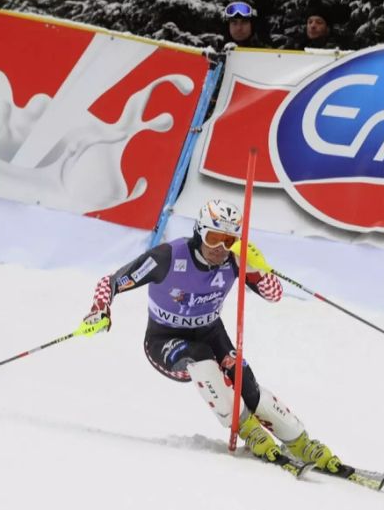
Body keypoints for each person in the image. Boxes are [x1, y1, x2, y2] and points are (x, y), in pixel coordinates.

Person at [79, 199, 344, 477]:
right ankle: (249, 430)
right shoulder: (168, 256)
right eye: (213, 237)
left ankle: (302, 442)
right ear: (199, 232)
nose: (220, 247)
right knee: (201, 357)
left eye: (229, 240)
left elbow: (275, 295)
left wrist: (256, 267)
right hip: (165, 340)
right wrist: (100, 310)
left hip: (211, 331)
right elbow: (111, 282)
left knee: (245, 381)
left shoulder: (235, 259)